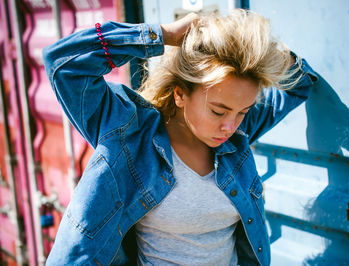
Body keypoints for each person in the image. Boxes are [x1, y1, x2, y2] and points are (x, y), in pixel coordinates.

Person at [43, 9, 318, 266]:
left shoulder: (236, 134)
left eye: (243, 112)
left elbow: (300, 81)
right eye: (217, 111)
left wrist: (256, 50)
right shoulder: (128, 135)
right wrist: (164, 35)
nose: (230, 126)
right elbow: (64, 64)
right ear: (180, 94)